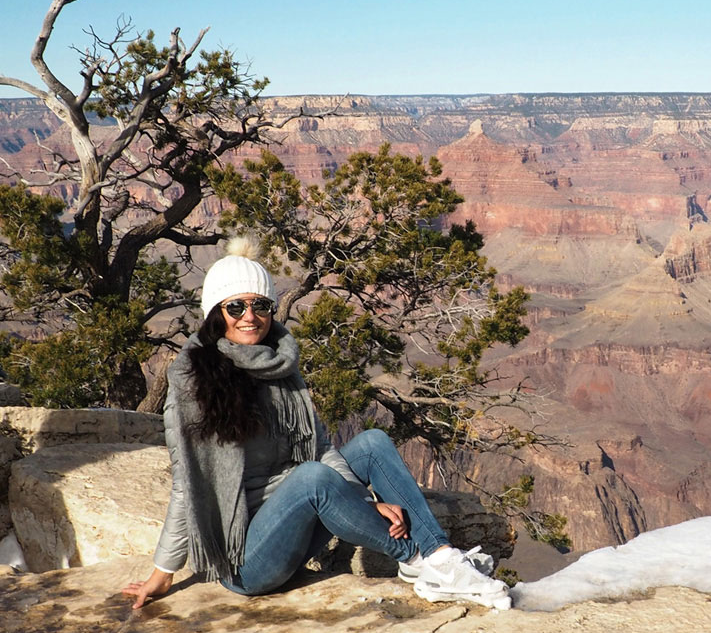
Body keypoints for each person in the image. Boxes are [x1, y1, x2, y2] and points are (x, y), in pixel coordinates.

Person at [122, 237, 510, 610]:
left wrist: (363, 501)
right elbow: (187, 486)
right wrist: (164, 571)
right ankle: (417, 558)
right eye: (235, 307)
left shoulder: (278, 362)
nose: (250, 316)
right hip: (245, 559)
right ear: (214, 314)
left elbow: (321, 446)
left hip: (295, 518)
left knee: (372, 443)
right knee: (311, 478)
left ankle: (440, 556)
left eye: (260, 304)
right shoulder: (194, 381)